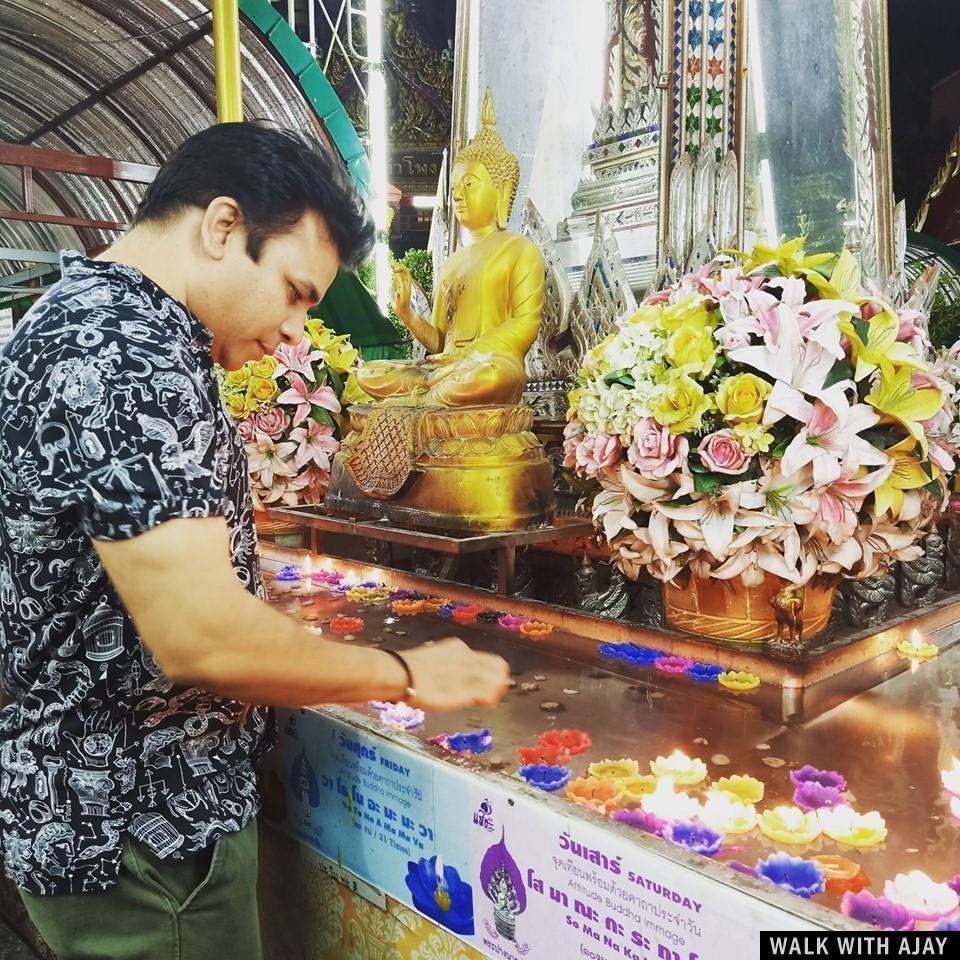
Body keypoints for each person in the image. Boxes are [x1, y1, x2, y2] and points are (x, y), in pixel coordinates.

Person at [0, 122, 510, 960]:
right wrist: (409, 674)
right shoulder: (124, 353)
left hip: (117, 814)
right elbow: (203, 637)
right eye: (297, 293)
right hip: (147, 840)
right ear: (223, 227)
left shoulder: (105, 319)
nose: (296, 332)